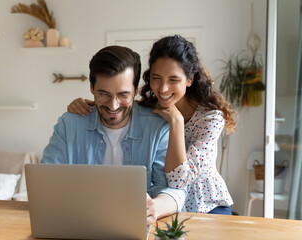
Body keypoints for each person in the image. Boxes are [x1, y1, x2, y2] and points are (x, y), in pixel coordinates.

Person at [67, 35, 236, 214]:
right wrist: (87, 106)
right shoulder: (150, 109)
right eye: (157, 78)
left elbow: (179, 180)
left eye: (173, 79)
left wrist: (176, 121)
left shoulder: (210, 119)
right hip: (166, 209)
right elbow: (116, 106)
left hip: (206, 207)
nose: (163, 88)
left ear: (189, 79)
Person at [41, 45, 186, 225]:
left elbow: (174, 190)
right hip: (77, 224)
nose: (113, 105)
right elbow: (45, 183)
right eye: (104, 94)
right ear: (92, 87)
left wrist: (154, 207)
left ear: (135, 89)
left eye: (123, 95)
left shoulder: (157, 127)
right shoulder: (70, 123)